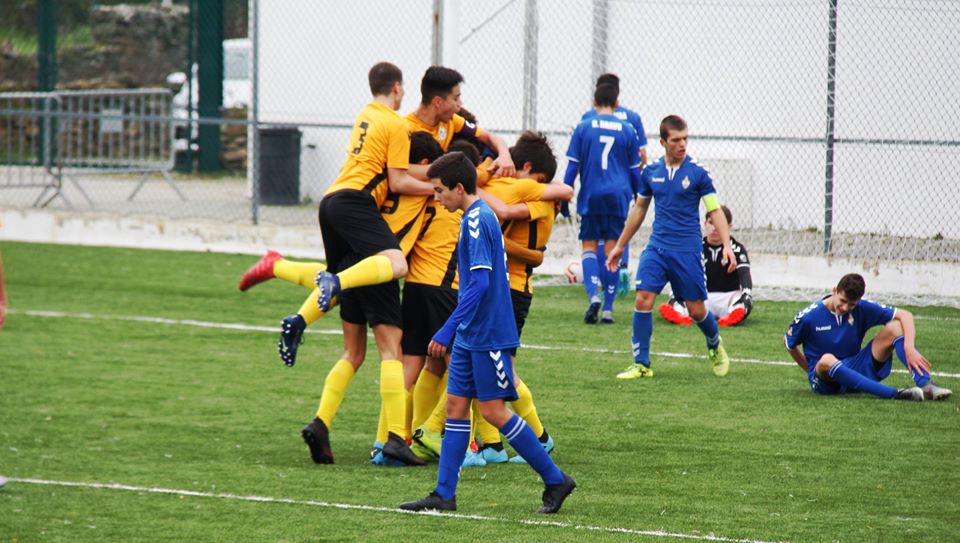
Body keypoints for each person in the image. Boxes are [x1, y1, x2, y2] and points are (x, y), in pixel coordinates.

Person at [399, 151, 576, 514]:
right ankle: (444, 494)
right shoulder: (473, 217)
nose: (436, 197)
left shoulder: (478, 220)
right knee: (455, 407)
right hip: (471, 333)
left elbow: (480, 283)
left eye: (439, 191)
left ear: (458, 188)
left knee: (494, 412)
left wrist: (446, 329)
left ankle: (555, 479)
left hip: (488, 334)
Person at [297, 62, 434, 467]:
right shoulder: (396, 124)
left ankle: (321, 422)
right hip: (360, 219)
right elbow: (399, 179)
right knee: (392, 336)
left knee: (352, 351)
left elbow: (394, 171)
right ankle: (395, 438)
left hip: (334, 208)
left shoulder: (365, 116)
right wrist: (438, 187)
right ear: (398, 87)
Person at [606, 115, 734, 379]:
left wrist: (727, 245)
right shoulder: (651, 172)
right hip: (657, 248)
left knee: (696, 310)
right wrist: (620, 245)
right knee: (643, 298)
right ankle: (641, 364)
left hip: (687, 251)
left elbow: (714, 210)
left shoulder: (698, 173)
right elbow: (639, 209)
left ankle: (714, 343)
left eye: (685, 138)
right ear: (663, 142)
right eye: (676, 140)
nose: (682, 144)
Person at [785, 273, 951, 401]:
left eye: (851, 304)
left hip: (855, 367)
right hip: (827, 381)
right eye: (842, 301)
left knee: (895, 327)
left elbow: (905, 315)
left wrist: (909, 347)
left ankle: (926, 384)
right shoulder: (808, 317)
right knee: (827, 360)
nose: (845, 308)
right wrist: (811, 370)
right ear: (834, 291)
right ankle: (896, 394)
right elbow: (789, 344)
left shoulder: (861, 307)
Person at [565, 83, 642, 324]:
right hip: (618, 196)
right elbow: (635, 170)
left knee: (589, 247)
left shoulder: (583, 127)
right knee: (612, 252)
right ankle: (608, 309)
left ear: (594, 102)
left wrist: (566, 194)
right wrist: (640, 197)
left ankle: (593, 297)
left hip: (592, 194)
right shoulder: (628, 129)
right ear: (617, 103)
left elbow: (572, 167)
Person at [659, 205, 753, 327]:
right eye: (711, 223)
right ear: (704, 224)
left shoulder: (736, 248)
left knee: (742, 300)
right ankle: (679, 314)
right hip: (701, 299)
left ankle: (733, 315)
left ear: (729, 227)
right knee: (680, 297)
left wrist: (747, 294)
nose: (714, 228)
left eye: (719, 224)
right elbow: (683, 274)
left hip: (728, 298)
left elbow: (744, 274)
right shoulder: (697, 248)